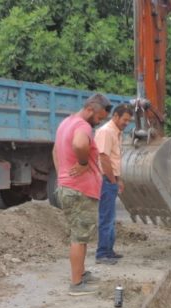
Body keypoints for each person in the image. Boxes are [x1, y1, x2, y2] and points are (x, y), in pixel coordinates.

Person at [53, 93, 112, 296]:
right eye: (98, 117)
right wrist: (83, 163)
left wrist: (63, 174)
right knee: (79, 236)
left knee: (82, 234)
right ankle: (76, 284)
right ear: (90, 109)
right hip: (80, 191)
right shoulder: (82, 126)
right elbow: (79, 144)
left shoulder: (66, 123)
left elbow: (55, 150)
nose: (99, 122)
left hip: (70, 187)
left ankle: (81, 273)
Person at [94, 103, 133, 265]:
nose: (127, 123)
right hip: (105, 179)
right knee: (106, 217)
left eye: (129, 120)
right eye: (125, 119)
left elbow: (115, 159)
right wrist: (112, 180)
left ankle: (109, 251)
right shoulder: (106, 132)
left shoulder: (116, 133)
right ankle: (102, 253)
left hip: (111, 179)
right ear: (115, 116)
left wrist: (119, 180)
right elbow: (104, 158)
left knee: (111, 216)